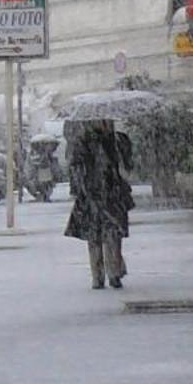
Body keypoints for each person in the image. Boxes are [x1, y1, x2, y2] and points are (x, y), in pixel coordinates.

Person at [65, 118, 132, 289]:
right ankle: (98, 275)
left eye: (106, 121)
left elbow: (128, 165)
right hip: (92, 196)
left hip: (112, 195)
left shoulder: (118, 141)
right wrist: (81, 188)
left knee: (113, 236)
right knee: (95, 237)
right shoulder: (84, 143)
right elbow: (75, 168)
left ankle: (114, 272)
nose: (104, 124)